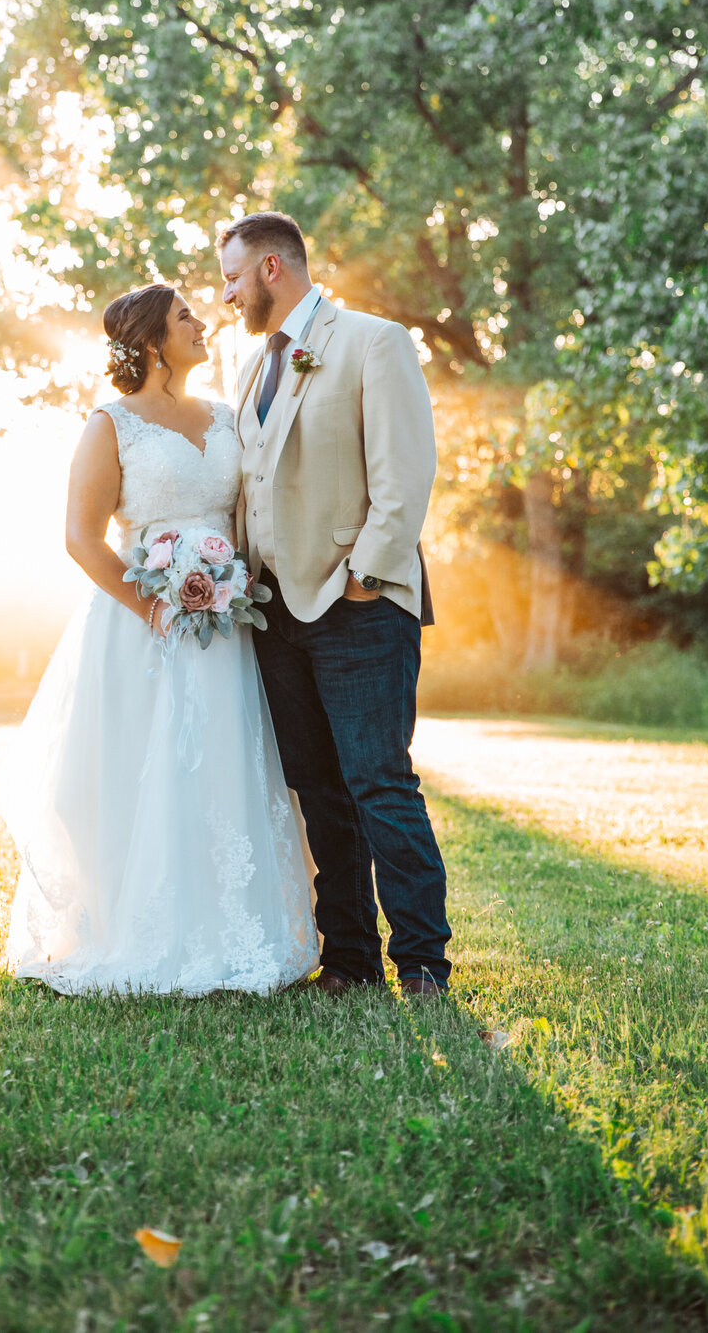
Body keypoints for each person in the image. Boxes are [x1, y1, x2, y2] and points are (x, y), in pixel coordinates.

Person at [2, 282, 318, 995]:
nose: (203, 323)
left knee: (228, 765)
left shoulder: (229, 416)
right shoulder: (110, 424)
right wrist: (154, 604)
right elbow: (81, 539)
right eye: (185, 317)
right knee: (142, 772)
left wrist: (224, 583)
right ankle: (133, 929)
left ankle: (237, 926)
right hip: (140, 626)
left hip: (229, 625)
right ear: (151, 342)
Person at [219, 211, 450, 999]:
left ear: (272, 269)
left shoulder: (373, 341)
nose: (225, 293)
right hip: (274, 613)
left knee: (379, 781)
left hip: (359, 606)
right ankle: (349, 958)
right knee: (318, 787)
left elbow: (405, 476)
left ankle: (421, 962)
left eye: (232, 276)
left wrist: (365, 578)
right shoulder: (252, 367)